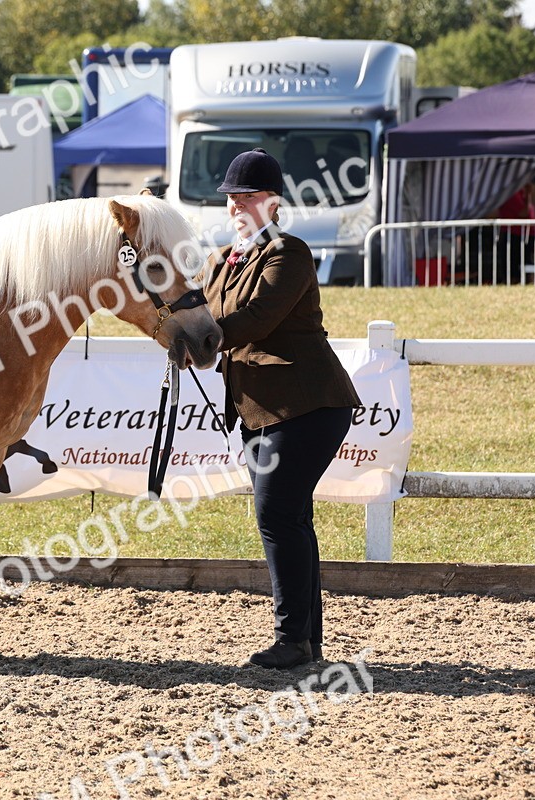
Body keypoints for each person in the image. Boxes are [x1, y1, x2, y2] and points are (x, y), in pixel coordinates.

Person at [202, 148, 361, 669]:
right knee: (291, 517)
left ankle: (292, 639)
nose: (236, 205)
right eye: (232, 197)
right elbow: (199, 312)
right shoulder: (220, 260)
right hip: (259, 410)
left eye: (247, 196)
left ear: (273, 203)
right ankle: (306, 639)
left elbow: (257, 319)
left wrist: (201, 338)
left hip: (309, 404)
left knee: (275, 513)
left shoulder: (287, 254)